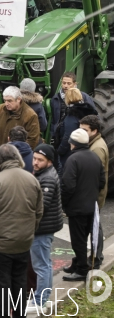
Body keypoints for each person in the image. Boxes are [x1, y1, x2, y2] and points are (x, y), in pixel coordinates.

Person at [0, 144, 43, 318]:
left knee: (3, 281)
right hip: (24, 241)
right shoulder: (32, 179)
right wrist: (30, 231)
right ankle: (19, 313)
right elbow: (38, 211)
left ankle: (4, 313)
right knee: (19, 279)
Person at [61, 129, 105, 281]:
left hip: (77, 208)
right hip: (91, 206)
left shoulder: (73, 160)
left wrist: (64, 204)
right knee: (84, 237)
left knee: (78, 240)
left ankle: (81, 269)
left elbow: (67, 185)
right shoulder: (94, 157)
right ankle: (77, 262)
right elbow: (102, 181)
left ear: (73, 144)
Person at [29, 144, 63, 312]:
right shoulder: (44, 173)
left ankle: (40, 300)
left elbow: (40, 207)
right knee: (44, 264)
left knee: (41, 266)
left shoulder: (47, 178)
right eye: (34, 158)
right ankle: (42, 297)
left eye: (40, 160)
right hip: (45, 226)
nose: (35, 162)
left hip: (42, 229)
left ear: (49, 161)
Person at [80, 115, 108, 269]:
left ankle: (96, 258)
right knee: (94, 225)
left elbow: (94, 175)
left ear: (94, 131)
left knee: (95, 226)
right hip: (93, 194)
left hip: (93, 195)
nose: (81, 132)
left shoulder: (96, 148)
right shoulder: (93, 143)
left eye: (84, 130)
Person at [54, 88, 98, 169]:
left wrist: (59, 151)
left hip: (69, 153)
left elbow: (68, 136)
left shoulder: (72, 115)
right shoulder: (86, 111)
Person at [50, 72, 95, 139]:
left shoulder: (84, 97)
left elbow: (93, 116)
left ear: (74, 84)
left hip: (79, 134)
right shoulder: (56, 99)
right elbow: (54, 120)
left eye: (69, 83)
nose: (65, 86)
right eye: (64, 83)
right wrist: (53, 133)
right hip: (60, 135)